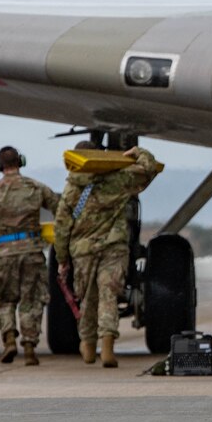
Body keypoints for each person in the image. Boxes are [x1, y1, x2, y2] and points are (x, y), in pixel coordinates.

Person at [53, 144, 164, 368]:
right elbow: (148, 169)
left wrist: (62, 259)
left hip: (83, 251)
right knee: (109, 295)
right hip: (114, 248)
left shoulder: (71, 190)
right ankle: (107, 347)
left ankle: (87, 344)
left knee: (87, 298)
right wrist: (138, 153)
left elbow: (61, 228)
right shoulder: (119, 180)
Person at [0, 146, 61, 366]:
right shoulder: (35, 188)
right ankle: (30, 347)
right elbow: (59, 208)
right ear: (20, 162)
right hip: (32, 252)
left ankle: (8, 340)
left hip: (4, 254)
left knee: (3, 300)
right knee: (31, 301)